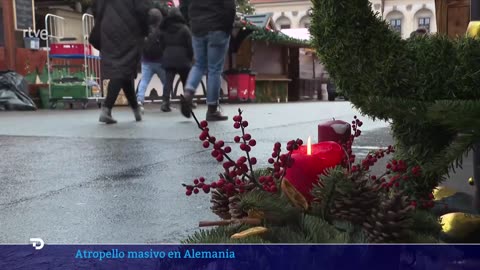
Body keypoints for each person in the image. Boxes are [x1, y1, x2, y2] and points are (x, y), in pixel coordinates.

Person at [93, 0, 151, 124]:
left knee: (124, 69)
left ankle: (136, 109)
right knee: (122, 68)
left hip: (107, 27)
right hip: (128, 29)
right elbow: (142, 9)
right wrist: (146, 31)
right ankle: (106, 108)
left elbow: (96, 7)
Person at [180, 0, 235, 121]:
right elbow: (229, 6)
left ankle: (188, 93)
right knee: (214, 69)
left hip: (197, 27)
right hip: (218, 27)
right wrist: (227, 28)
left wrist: (191, 23)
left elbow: (183, 5)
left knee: (199, 64)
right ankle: (212, 110)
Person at [159, 8, 193, 112]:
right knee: (186, 81)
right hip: (183, 58)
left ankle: (165, 102)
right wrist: (190, 56)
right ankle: (188, 102)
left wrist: (165, 53)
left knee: (168, 81)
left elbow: (161, 44)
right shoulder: (185, 28)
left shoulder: (164, 29)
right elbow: (190, 45)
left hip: (168, 57)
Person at [136, 7, 168, 114]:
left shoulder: (145, 30)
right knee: (165, 82)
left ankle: (139, 100)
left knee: (144, 81)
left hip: (146, 61)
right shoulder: (162, 30)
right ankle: (165, 101)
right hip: (160, 61)